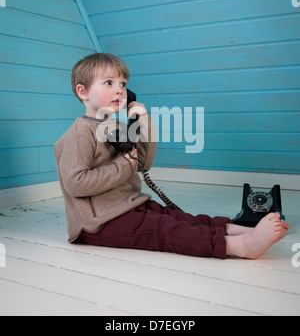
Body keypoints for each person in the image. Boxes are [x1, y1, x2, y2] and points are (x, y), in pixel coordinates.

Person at [54, 53, 289, 260]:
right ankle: (241, 245)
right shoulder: (79, 133)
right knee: (164, 229)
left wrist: (142, 120)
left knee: (177, 217)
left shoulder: (116, 126)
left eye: (123, 84)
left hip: (128, 206)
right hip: (99, 224)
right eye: (109, 82)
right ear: (82, 91)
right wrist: (122, 166)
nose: (120, 90)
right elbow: (75, 183)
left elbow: (143, 162)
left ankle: (238, 229)